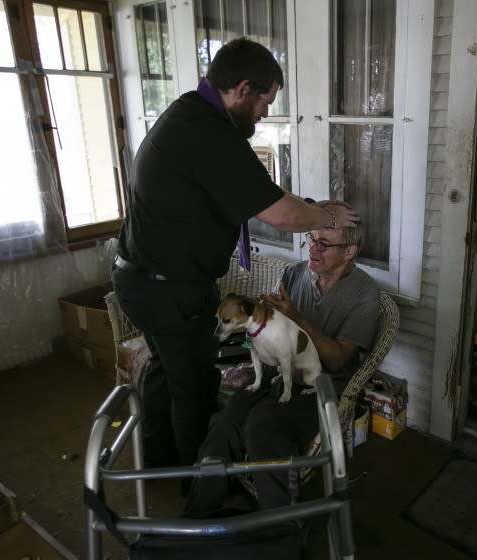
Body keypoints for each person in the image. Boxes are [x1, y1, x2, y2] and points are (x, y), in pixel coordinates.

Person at [111, 37, 359, 473]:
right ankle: (196, 486)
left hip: (143, 280)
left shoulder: (193, 115)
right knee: (194, 386)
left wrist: (313, 207)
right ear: (242, 89)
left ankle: (157, 461)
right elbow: (280, 214)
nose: (265, 114)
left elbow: (267, 194)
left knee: (165, 374)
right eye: (265, 101)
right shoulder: (209, 133)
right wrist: (328, 217)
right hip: (168, 289)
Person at [184, 225, 380, 518]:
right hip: (279, 372)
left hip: (325, 385)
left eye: (324, 243)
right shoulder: (295, 274)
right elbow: (264, 320)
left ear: (349, 252)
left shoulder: (365, 293)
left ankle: (282, 531)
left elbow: (338, 360)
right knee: (227, 419)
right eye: (312, 238)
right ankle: (197, 517)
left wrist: (298, 318)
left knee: (264, 425)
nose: (313, 248)